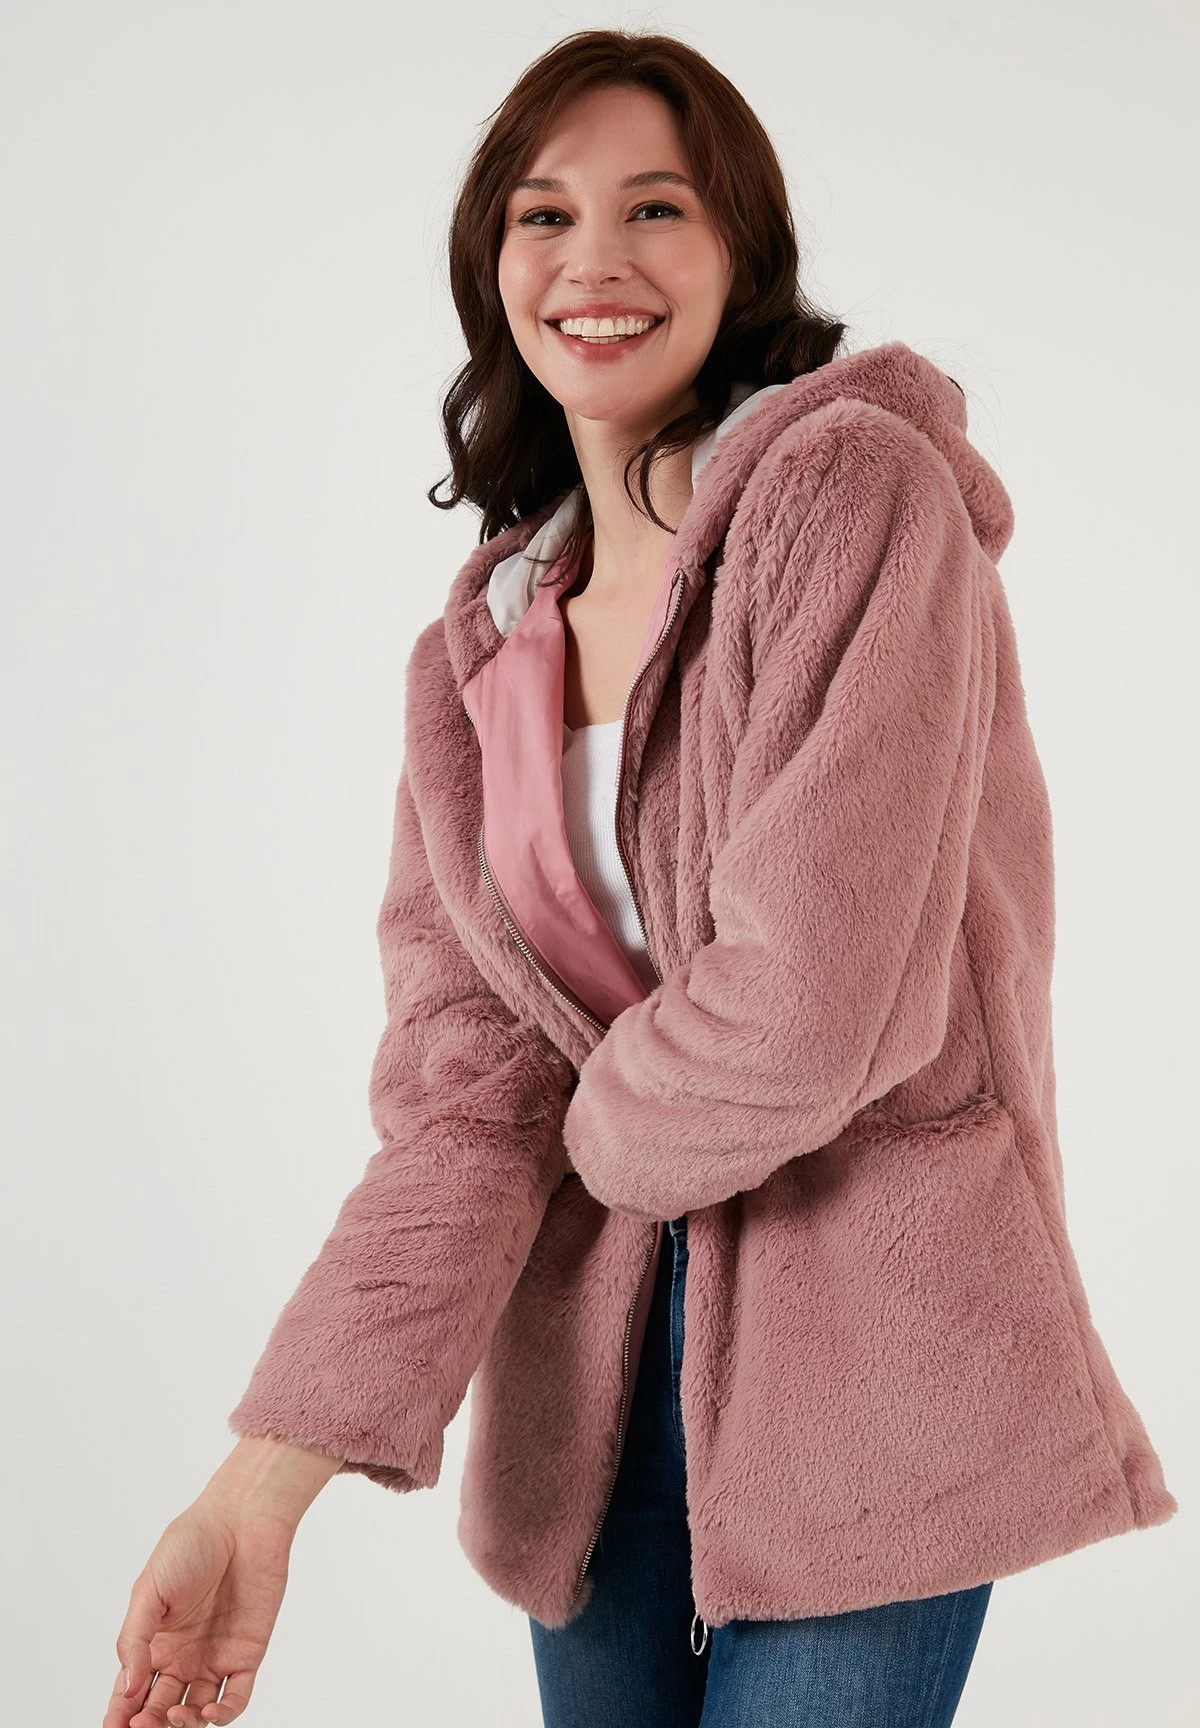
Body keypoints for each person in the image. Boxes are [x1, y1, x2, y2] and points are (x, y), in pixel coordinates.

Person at [105, 29, 1176, 1728]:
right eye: (544, 217)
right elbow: (464, 1106)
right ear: (494, 269)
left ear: (743, 250)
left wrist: (586, 1135)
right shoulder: (476, 658)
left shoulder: (853, 505)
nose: (593, 260)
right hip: (589, 1408)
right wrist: (261, 1486)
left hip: (875, 1375)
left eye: (656, 208)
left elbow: (812, 1002)